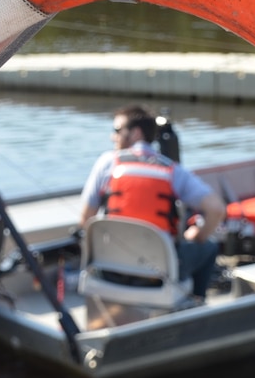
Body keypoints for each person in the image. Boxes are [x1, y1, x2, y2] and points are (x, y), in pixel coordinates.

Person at [79, 104, 226, 305]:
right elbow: (217, 209)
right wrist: (197, 235)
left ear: (136, 133)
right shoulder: (172, 170)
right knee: (208, 247)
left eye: (117, 131)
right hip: (157, 276)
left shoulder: (106, 163)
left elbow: (85, 219)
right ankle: (197, 303)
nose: (112, 137)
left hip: (109, 271)